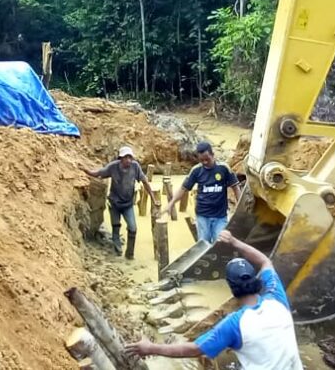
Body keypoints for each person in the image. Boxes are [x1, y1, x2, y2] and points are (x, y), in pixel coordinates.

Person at [124, 230, 304, 369]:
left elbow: (194, 349)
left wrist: (150, 348)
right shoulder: (277, 300)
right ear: (256, 280)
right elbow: (266, 261)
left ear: (231, 288)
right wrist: (235, 242)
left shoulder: (235, 324)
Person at [81, 147, 156, 259]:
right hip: (115, 203)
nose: (129, 160)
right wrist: (85, 171)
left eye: (130, 157)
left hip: (128, 204)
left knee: (133, 228)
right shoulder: (113, 167)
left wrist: (153, 197)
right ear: (121, 158)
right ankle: (116, 245)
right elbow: (98, 173)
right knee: (116, 226)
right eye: (126, 157)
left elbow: (145, 182)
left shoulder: (135, 167)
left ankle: (129, 253)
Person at [160, 141, 242, 243]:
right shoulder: (196, 170)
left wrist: (240, 206)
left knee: (220, 243)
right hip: (203, 216)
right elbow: (183, 189)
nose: (205, 162)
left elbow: (236, 187)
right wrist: (171, 204)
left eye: (207, 159)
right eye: (201, 160)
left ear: (213, 155)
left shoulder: (223, 168)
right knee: (204, 245)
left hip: (220, 216)